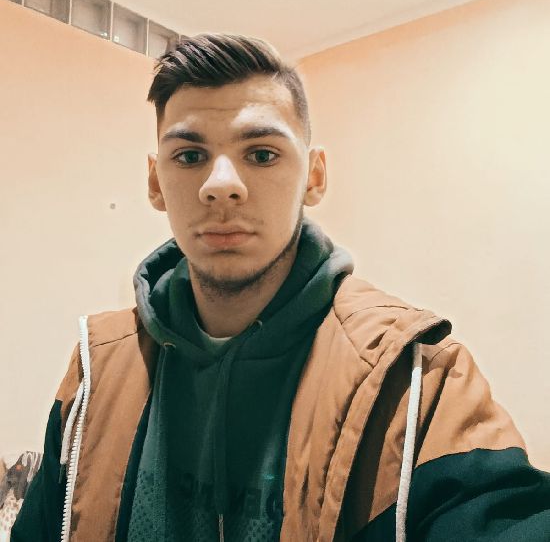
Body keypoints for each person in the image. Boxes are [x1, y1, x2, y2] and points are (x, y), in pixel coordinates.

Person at [12, 34, 550, 542]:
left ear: (314, 177)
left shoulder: (415, 380)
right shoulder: (97, 369)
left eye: (262, 154)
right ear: (156, 182)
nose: (221, 185)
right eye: (190, 156)